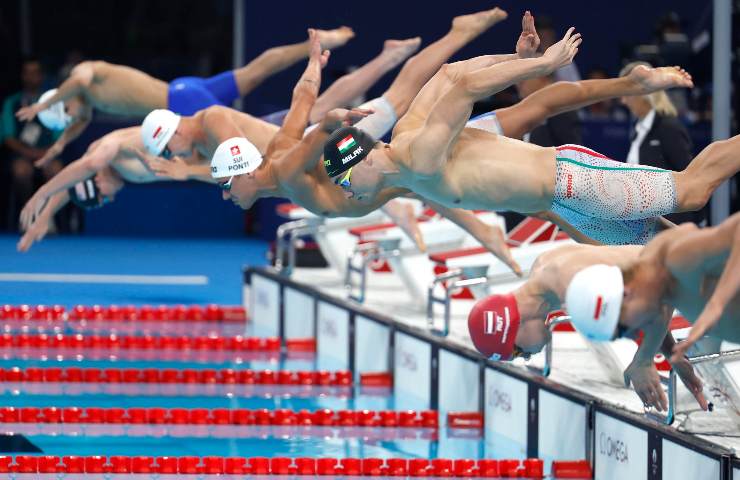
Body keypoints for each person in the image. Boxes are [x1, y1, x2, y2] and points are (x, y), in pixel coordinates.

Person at [145, 7, 521, 269]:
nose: (225, 193)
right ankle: (480, 222)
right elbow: (301, 100)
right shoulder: (274, 163)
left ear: (244, 170)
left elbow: (312, 138)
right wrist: (313, 63)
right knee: (423, 166)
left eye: (225, 184)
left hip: (342, 148)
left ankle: (465, 36)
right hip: (343, 160)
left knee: (405, 102)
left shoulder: (280, 166)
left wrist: (332, 121)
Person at [323, 27, 738, 247]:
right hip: (565, 206)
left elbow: (466, 88)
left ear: (365, 158)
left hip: (571, 180)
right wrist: (516, 58)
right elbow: (450, 74)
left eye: (343, 181)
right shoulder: (408, 147)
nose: (347, 192)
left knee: (694, 191)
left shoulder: (419, 157)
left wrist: (541, 63)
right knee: (662, 249)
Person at [15, 27, 357, 166]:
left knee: (254, 134)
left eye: (65, 111)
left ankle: (308, 142)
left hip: (181, 105)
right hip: (184, 89)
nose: (74, 117)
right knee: (256, 71)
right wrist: (56, 148)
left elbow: (76, 83)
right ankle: (316, 43)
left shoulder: (84, 75)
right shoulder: (86, 105)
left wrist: (41, 106)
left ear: (60, 99)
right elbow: (77, 124)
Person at [465, 241, 708, 413]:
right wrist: (672, 353)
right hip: (689, 270)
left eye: (518, 352)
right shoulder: (545, 270)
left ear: (514, 327)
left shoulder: (574, 290)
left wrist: (644, 360)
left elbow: (659, 297)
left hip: (701, 278)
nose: (529, 356)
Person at [566, 212, 740, 370]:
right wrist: (657, 359)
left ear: (625, 294)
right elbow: (659, 318)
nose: (634, 334)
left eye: (624, 330)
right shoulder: (655, 286)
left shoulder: (676, 258)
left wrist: (716, 304)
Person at [620, 60, 704, 225]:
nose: (623, 101)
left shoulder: (668, 128)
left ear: (642, 93)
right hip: (645, 225)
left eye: (625, 93)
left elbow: (690, 177)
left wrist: (696, 224)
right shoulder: (638, 130)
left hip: (672, 226)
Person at [2, 57, 63, 230]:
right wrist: (29, 153)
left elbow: (61, 135)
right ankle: (29, 214)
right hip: (22, 155)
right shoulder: (12, 102)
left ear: (42, 76)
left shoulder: (53, 101)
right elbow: (7, 136)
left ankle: (47, 215)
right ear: (22, 76)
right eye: (27, 73)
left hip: (49, 154)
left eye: (35, 73)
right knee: (21, 171)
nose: (31, 77)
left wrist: (46, 153)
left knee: (56, 171)